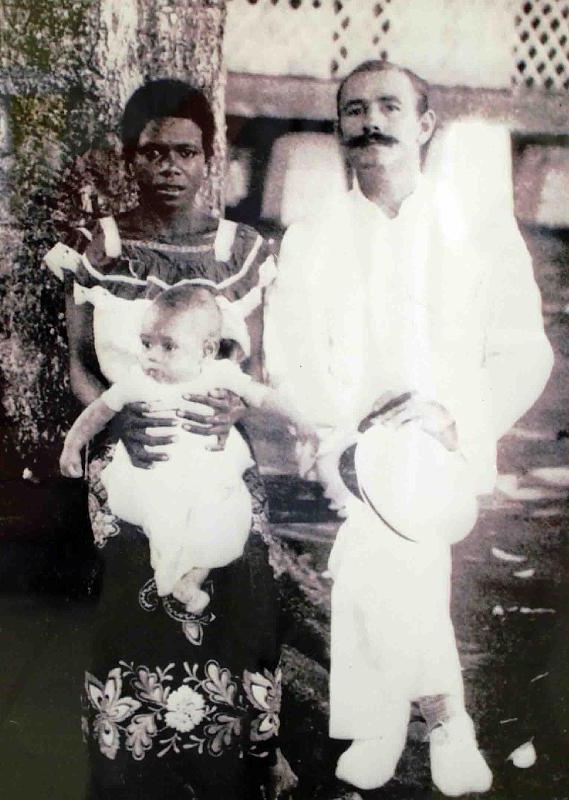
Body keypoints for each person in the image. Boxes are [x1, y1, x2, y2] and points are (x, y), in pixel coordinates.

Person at [265, 60, 554, 796]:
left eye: (388, 106)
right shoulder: (311, 238)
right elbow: (289, 361)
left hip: (449, 448)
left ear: (424, 125)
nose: (369, 122)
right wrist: (338, 435)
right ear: (340, 131)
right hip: (346, 451)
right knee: (387, 534)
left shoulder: (477, 230)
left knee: (397, 509)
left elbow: (523, 351)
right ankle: (435, 716)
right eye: (353, 110)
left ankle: (397, 715)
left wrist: (453, 413)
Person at [45, 79, 296, 800]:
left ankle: (244, 751)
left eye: (184, 150)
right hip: (132, 455)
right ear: (130, 158)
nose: (167, 166)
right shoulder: (99, 247)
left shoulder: (243, 251)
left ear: (208, 157)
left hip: (218, 454)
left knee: (239, 586)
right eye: (150, 152)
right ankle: (134, 755)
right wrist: (116, 420)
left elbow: (262, 367)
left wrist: (228, 417)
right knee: (138, 589)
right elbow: (78, 362)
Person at [59, 283, 317, 615]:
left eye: (168, 347)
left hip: (208, 474)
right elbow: (98, 412)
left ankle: (190, 580)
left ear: (207, 351)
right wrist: (71, 446)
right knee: (159, 521)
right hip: (151, 472)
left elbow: (262, 395)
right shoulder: (138, 380)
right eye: (146, 344)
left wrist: (300, 420)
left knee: (226, 520)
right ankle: (164, 570)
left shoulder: (218, 373)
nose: (152, 356)